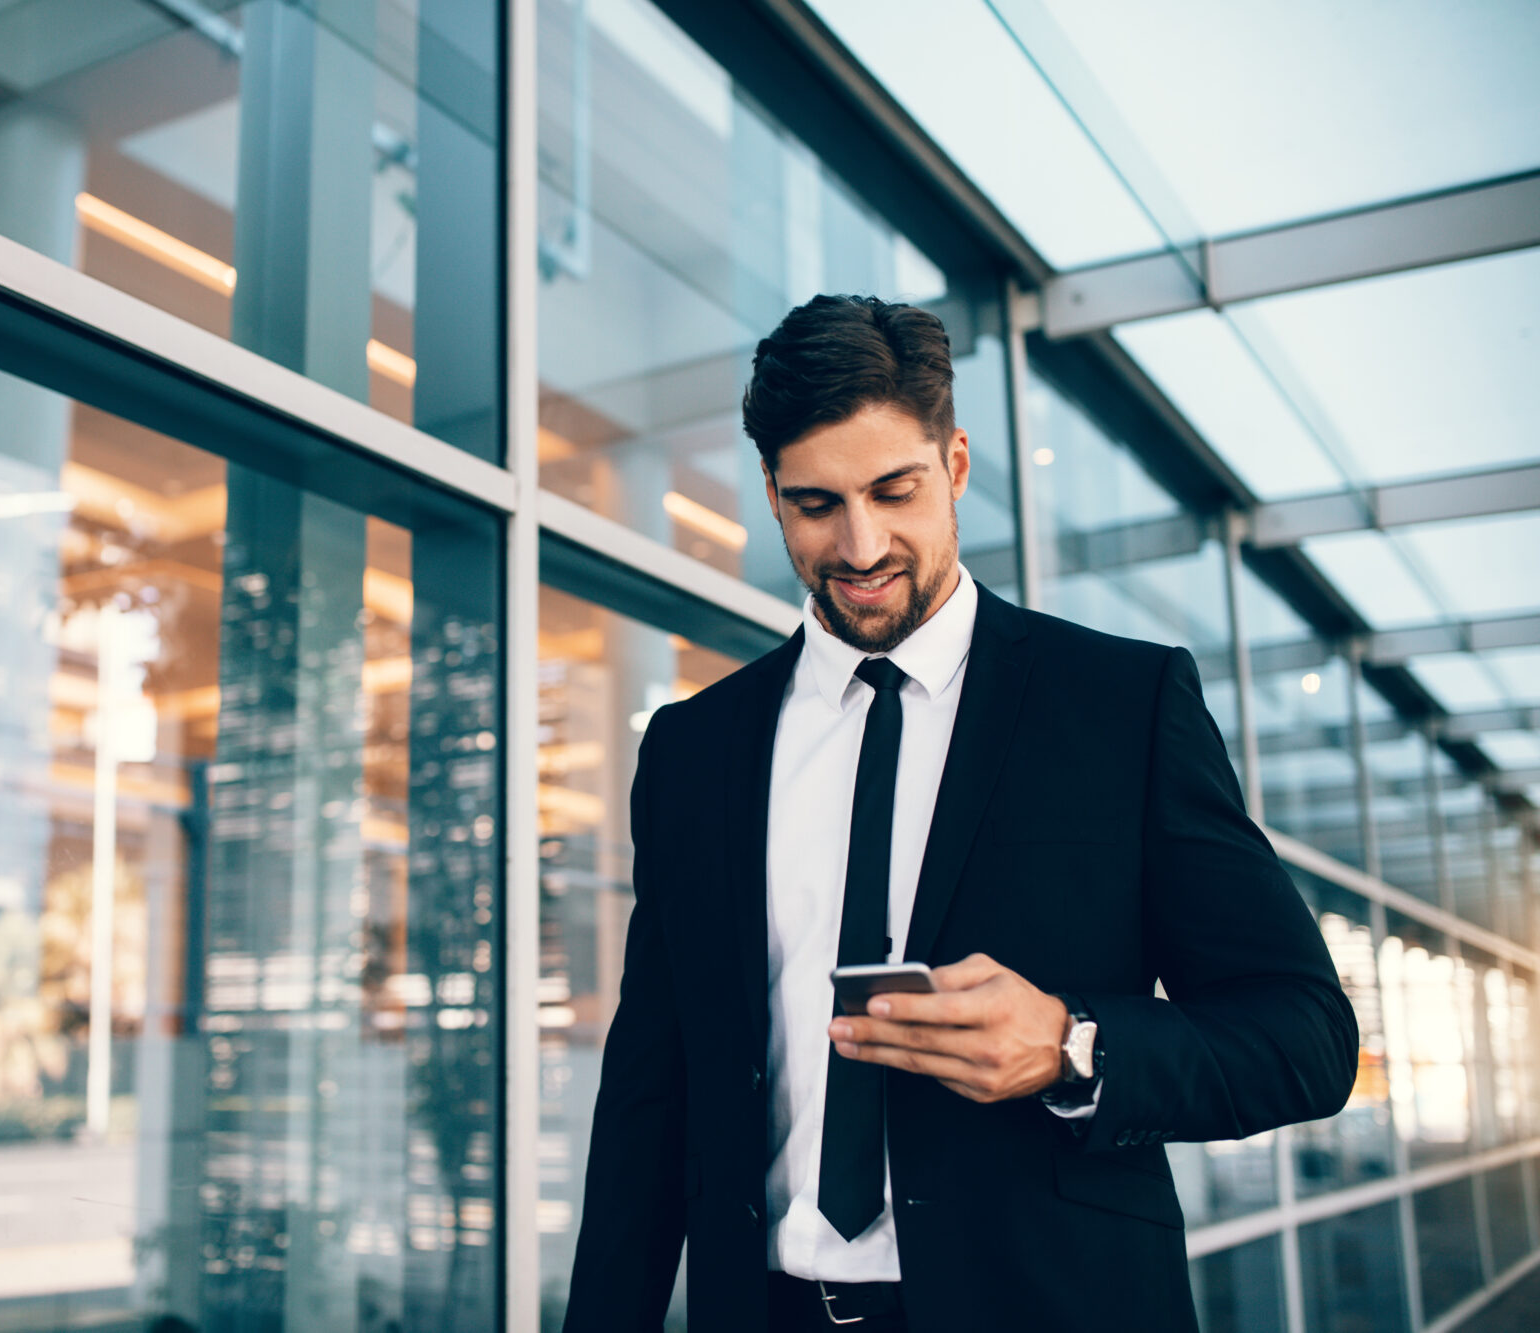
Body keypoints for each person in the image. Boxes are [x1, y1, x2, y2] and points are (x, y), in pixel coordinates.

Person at [562, 296, 1357, 1332]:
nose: (858, 545)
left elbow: (1302, 1036)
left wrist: (1073, 1046)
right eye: (814, 505)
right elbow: (647, 1094)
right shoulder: (692, 749)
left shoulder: (1122, 705)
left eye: (893, 490)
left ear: (956, 464)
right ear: (768, 493)